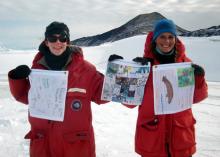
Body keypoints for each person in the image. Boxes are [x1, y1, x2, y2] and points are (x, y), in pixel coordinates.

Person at [109, 19, 208, 157]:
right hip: (152, 139)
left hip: (181, 138)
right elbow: (128, 102)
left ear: (175, 39)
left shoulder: (185, 65)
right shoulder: (143, 67)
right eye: (162, 36)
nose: (166, 41)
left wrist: (199, 78)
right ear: (155, 39)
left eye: (170, 37)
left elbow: (197, 97)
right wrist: (119, 72)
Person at [8, 21, 107, 157]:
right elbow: (25, 96)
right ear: (46, 42)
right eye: (52, 38)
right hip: (44, 145)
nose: (57, 42)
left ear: (68, 41)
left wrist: (117, 73)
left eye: (62, 38)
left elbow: (104, 94)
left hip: (76, 147)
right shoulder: (37, 70)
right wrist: (17, 79)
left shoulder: (86, 70)